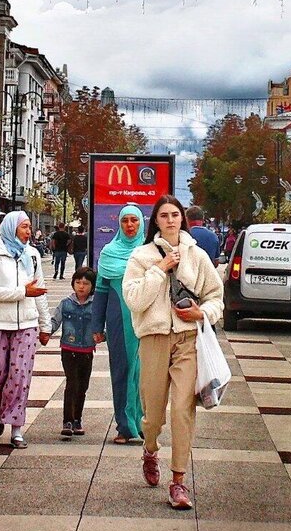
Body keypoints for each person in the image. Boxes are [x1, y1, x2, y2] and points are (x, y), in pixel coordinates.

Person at [123, 195, 224, 510]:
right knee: (152, 414)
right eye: (164, 215)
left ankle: (178, 481)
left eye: (175, 214)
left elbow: (216, 296)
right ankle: (150, 449)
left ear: (182, 219)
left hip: (187, 340)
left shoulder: (197, 256)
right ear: (156, 220)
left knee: (182, 409)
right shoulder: (141, 257)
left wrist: (202, 314)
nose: (170, 220)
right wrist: (160, 269)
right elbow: (134, 300)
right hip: (153, 339)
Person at [0, 210, 51, 449]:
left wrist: (45, 325)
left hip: (27, 325)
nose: (28, 231)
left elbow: (38, 290)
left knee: (20, 376)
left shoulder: (32, 255)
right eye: (24, 226)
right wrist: (22, 293)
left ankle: (16, 429)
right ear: (11, 228)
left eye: (29, 226)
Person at [91, 204, 145, 445]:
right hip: (118, 321)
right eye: (125, 221)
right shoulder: (109, 253)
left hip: (146, 322)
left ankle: (143, 423)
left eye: (134, 220)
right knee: (122, 371)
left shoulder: (148, 252)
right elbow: (101, 292)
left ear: (141, 223)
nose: (130, 225)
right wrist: (96, 326)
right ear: (119, 224)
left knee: (144, 374)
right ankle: (125, 426)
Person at [50, 267, 97, 438]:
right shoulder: (66, 303)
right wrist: (46, 332)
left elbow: (102, 324)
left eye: (85, 283)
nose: (81, 286)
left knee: (82, 386)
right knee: (72, 383)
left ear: (92, 286)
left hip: (87, 351)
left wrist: (103, 335)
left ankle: (77, 419)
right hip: (69, 350)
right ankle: (67, 420)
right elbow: (55, 320)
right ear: (73, 284)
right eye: (78, 282)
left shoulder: (96, 304)